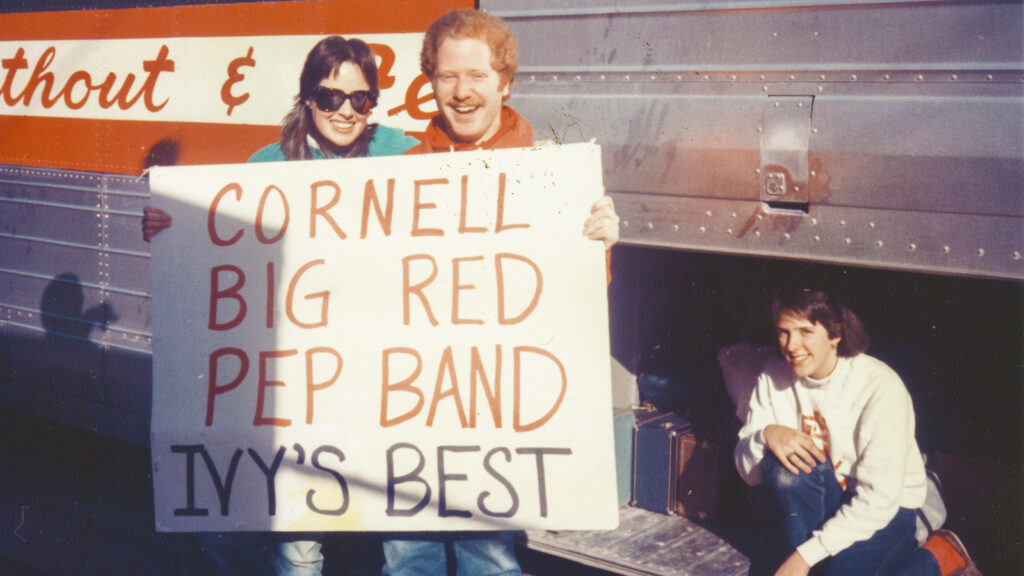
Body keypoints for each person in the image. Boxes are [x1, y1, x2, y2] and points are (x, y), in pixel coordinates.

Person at [142, 35, 419, 576]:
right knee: (296, 540)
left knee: (405, 539)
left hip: (378, 372)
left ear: (374, 103)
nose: (346, 111)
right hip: (300, 378)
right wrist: (171, 230)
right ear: (308, 98)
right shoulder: (267, 165)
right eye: (330, 96)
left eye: (360, 99)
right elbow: (223, 245)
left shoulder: (404, 155)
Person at [379, 9, 620, 576]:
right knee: (406, 559)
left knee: (487, 558)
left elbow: (576, 298)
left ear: (504, 82)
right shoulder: (399, 174)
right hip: (410, 409)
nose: (460, 93)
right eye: (445, 76)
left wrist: (599, 246)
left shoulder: (549, 172)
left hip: (492, 409)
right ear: (430, 81)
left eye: (477, 76)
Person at [734, 286, 978, 576]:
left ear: (835, 335)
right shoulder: (773, 376)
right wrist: (765, 435)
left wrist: (803, 556)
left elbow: (879, 501)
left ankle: (938, 558)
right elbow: (749, 475)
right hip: (828, 497)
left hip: (886, 509)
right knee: (783, 469)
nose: (791, 345)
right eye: (784, 332)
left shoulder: (879, 386)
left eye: (805, 332)